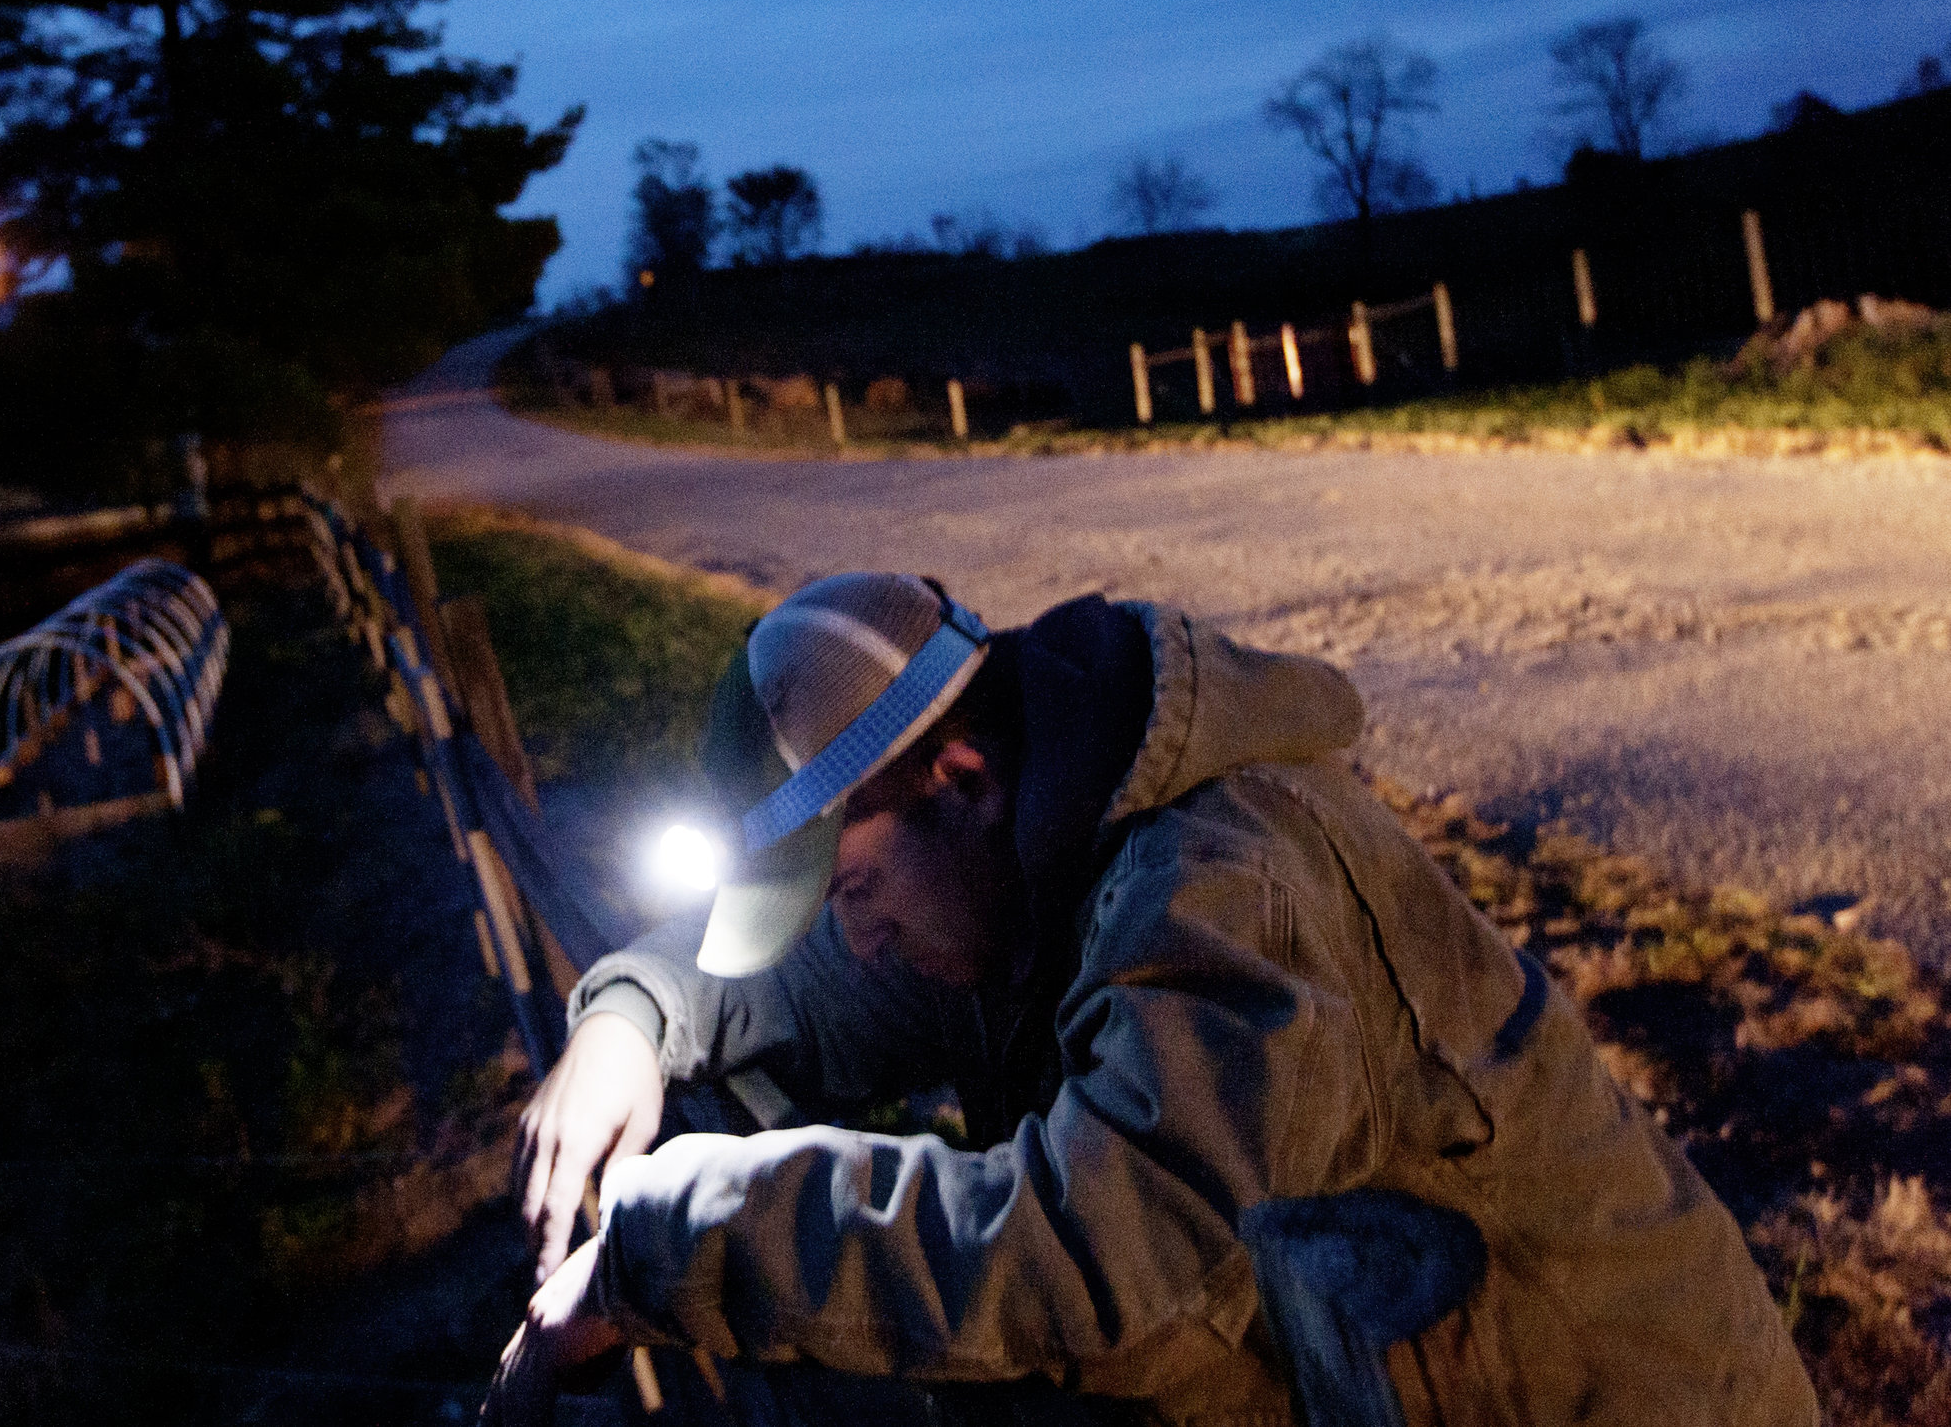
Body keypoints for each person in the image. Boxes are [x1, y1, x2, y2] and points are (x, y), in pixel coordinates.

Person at [485, 573, 1815, 1426]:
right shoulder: (1006, 866)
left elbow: (1108, 1262)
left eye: (846, 885)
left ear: (960, 779)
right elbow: (810, 985)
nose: (854, 933)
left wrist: (665, 1238)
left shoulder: (1225, 881)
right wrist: (629, 1018)